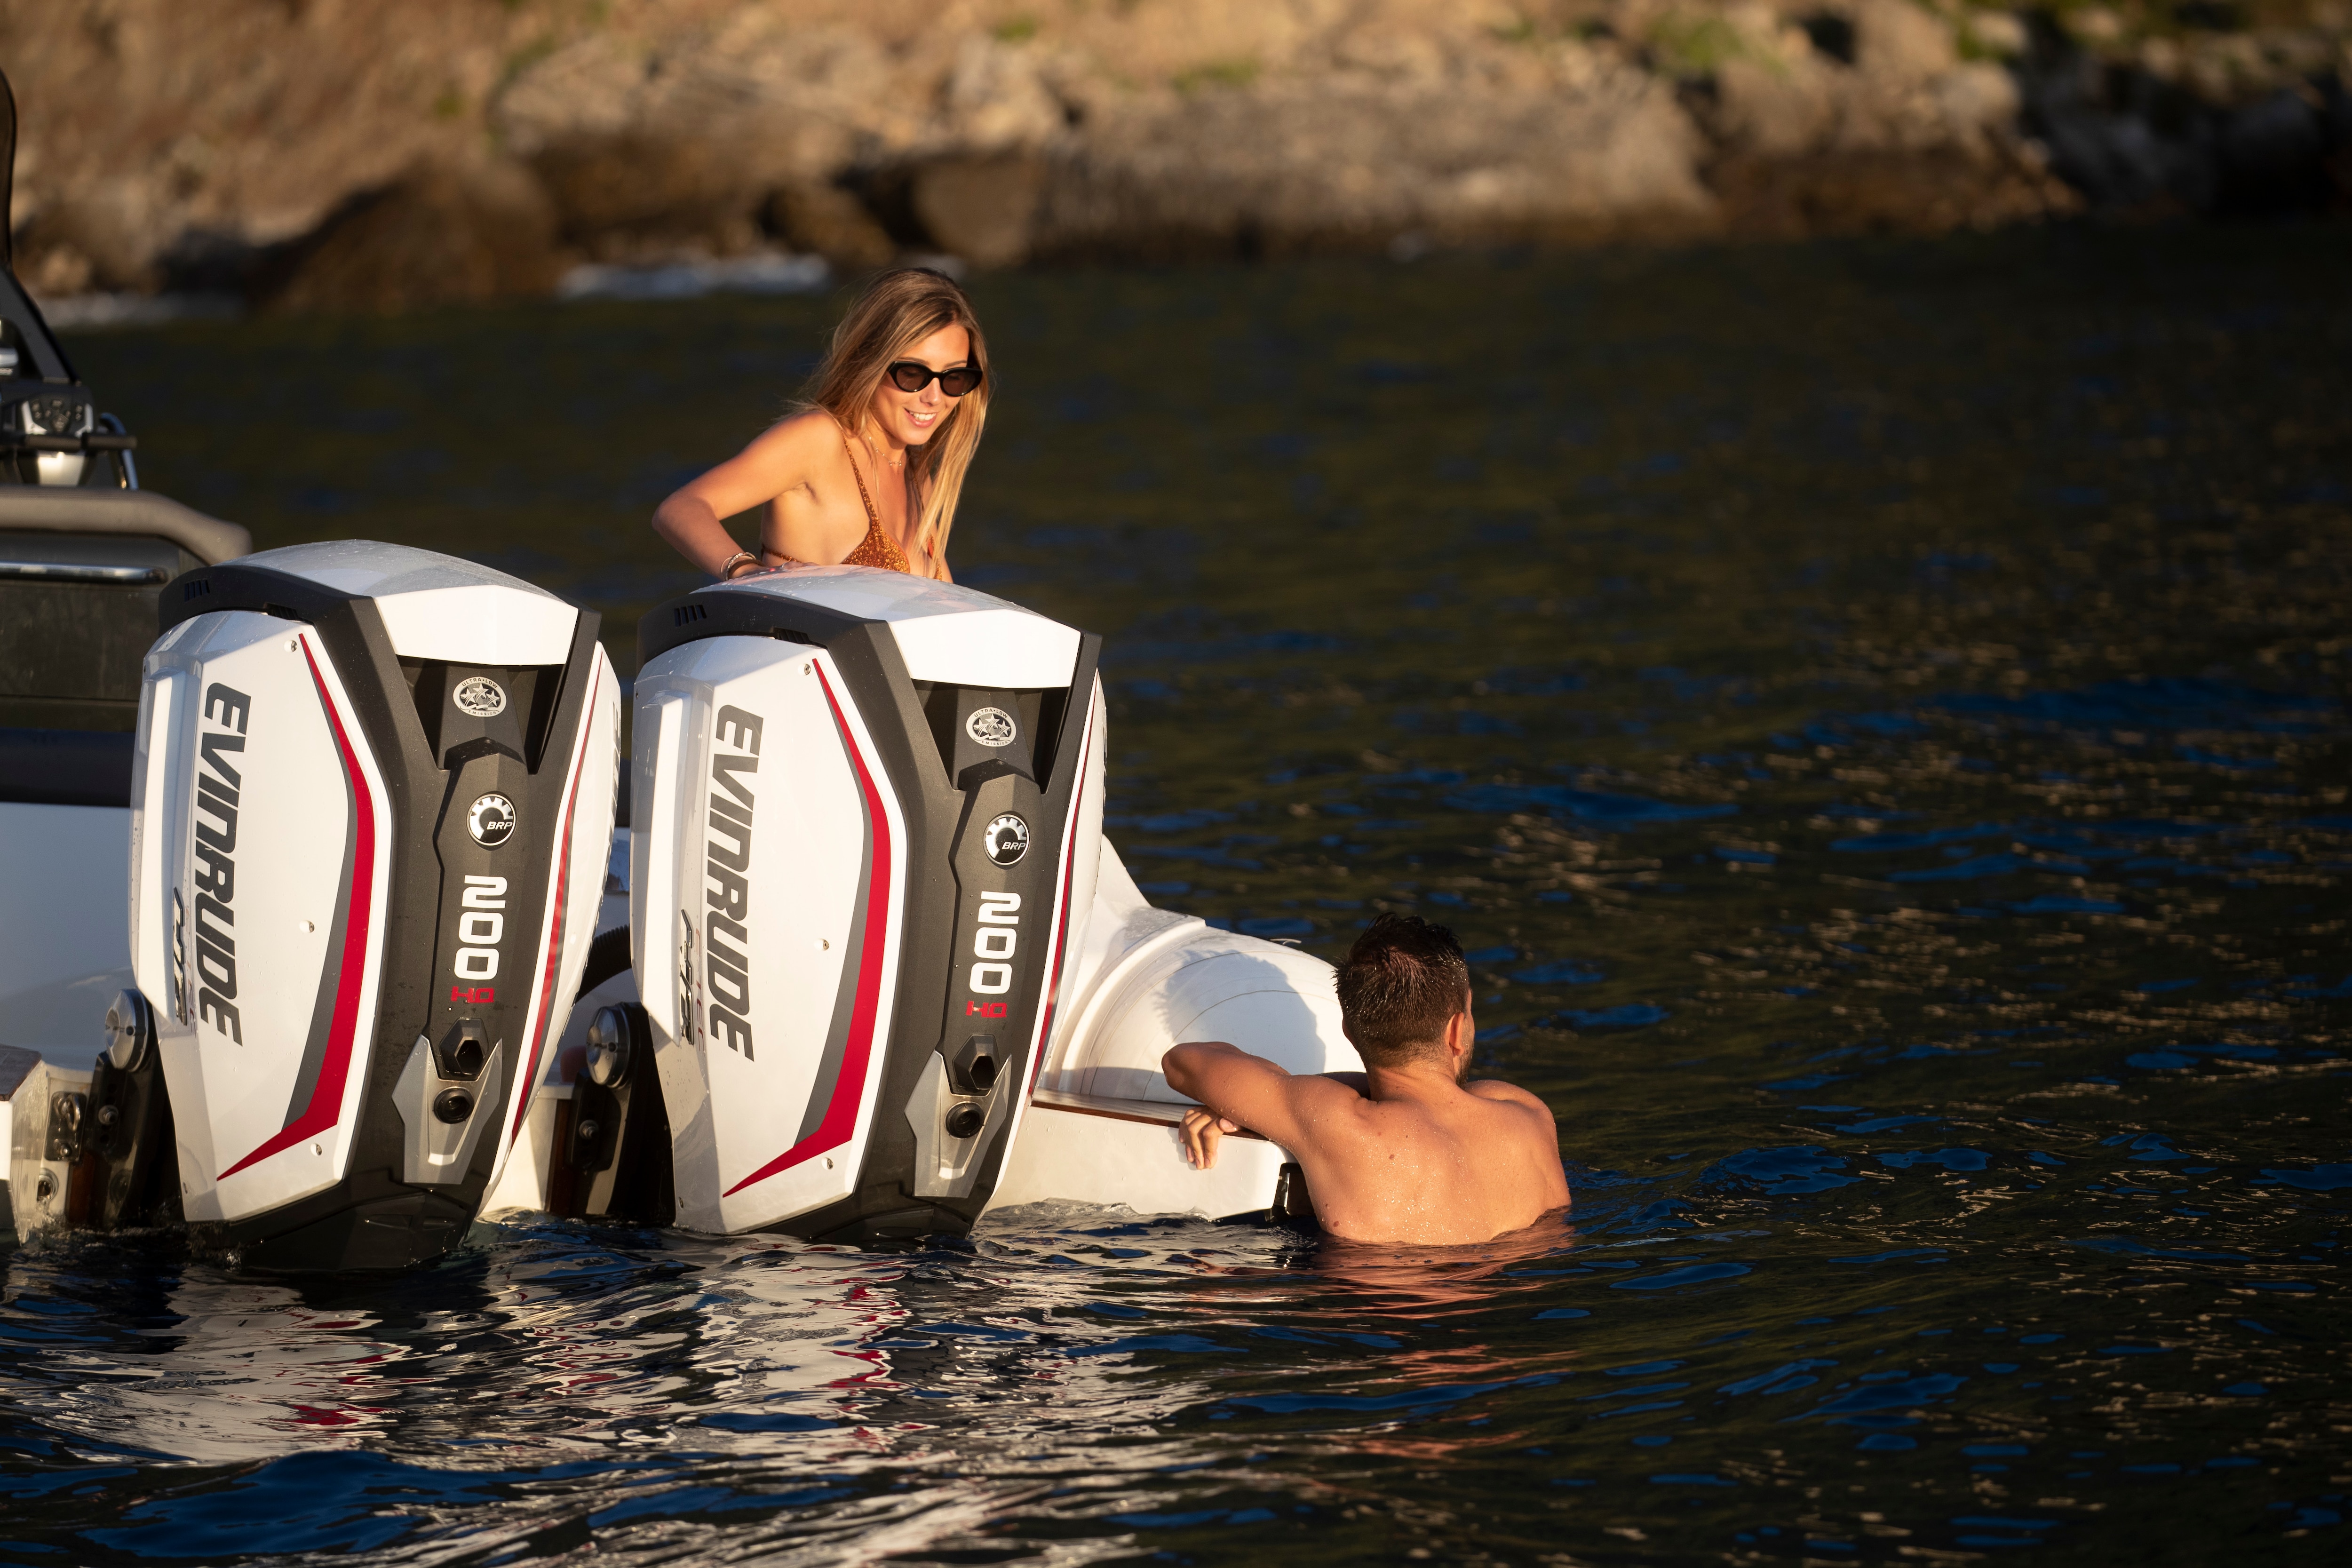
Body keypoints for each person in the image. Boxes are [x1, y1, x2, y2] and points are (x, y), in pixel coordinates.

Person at [1161, 914, 1570, 1245]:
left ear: (1350, 1033)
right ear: (1457, 1029)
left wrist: (1257, 1109)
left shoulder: (1333, 1118)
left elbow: (1182, 1062)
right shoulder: (1528, 1113)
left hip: (1377, 1320)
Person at [652, 268, 991, 583]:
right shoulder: (820, 440)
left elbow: (947, 608)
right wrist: (746, 571)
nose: (934, 397)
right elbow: (682, 508)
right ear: (870, 361)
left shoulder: (917, 476)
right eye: (913, 374)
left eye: (955, 377)